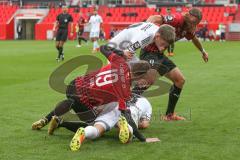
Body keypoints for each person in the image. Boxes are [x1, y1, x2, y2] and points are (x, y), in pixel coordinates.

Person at [32, 46, 152, 147]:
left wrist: (122, 53)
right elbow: (127, 116)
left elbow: (103, 47)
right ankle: (60, 122)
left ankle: (47, 118)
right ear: (139, 76)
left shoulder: (120, 62)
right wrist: (142, 138)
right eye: (145, 78)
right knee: (94, 126)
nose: (145, 81)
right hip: (83, 98)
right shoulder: (124, 90)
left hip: (75, 84)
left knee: (78, 100)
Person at [134, 8, 209, 121]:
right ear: (188, 15)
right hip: (149, 52)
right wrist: (144, 29)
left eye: (196, 24)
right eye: (193, 23)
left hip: (159, 54)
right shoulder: (177, 19)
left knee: (180, 80)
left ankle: (169, 115)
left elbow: (194, 38)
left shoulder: (188, 28)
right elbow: (155, 18)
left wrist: (203, 51)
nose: (194, 26)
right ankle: (125, 104)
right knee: (149, 79)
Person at [43, 95, 157, 151]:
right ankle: (123, 126)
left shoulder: (121, 93)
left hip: (111, 108)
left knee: (97, 130)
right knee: (129, 129)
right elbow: (145, 124)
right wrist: (141, 126)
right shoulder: (146, 103)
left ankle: (84, 133)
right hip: (130, 112)